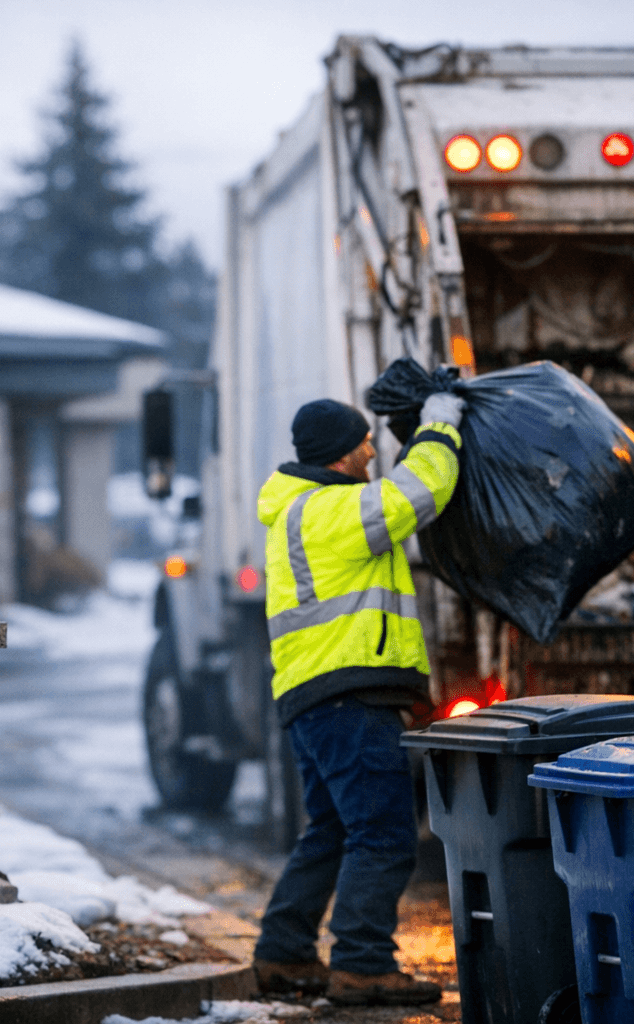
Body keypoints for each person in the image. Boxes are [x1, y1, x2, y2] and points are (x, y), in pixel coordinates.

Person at [251, 393, 464, 1007]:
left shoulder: (297, 509)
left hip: (315, 696)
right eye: (365, 441)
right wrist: (440, 427)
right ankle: (363, 964)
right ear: (343, 453)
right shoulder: (334, 510)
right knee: (382, 834)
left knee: (332, 830)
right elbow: (419, 492)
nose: (373, 450)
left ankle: (284, 953)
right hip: (349, 697)